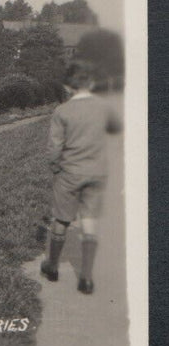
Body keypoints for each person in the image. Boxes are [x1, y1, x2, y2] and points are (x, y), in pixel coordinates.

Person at [40, 60, 123, 294]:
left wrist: (55, 167)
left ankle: (52, 267)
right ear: (92, 83)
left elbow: (54, 148)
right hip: (96, 172)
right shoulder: (103, 107)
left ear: (68, 86)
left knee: (61, 219)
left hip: (69, 173)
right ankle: (86, 278)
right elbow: (117, 129)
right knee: (90, 220)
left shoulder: (62, 111)